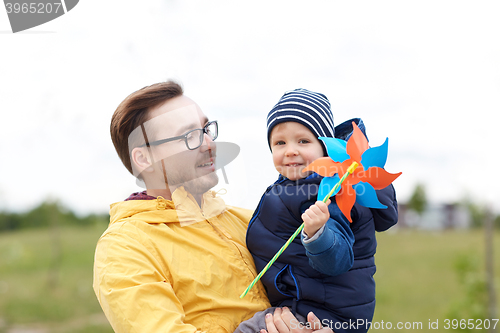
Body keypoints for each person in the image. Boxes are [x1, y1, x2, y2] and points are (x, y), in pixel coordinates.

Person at [93, 81, 333, 333]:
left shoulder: (250, 221)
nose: (209, 143)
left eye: (206, 129)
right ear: (145, 158)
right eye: (190, 137)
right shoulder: (124, 248)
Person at [237, 89, 399, 333]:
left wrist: (318, 234)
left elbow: (338, 259)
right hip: (313, 303)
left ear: (325, 149)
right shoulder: (298, 186)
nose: (290, 150)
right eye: (280, 142)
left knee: (249, 330)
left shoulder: (328, 192)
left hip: (323, 314)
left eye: (303, 141)